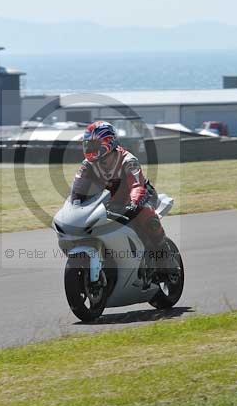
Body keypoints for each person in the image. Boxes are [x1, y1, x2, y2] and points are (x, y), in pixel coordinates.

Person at [70, 121, 172, 286]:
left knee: (146, 215)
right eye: (86, 144)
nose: (88, 148)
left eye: (93, 144)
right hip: (110, 203)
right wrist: (74, 205)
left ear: (107, 142)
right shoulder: (87, 165)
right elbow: (78, 188)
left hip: (139, 197)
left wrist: (134, 203)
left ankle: (164, 259)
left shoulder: (127, 159)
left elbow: (137, 185)